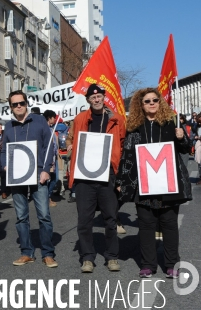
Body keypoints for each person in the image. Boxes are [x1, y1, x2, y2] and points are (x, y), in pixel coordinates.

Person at [116, 88, 192, 278]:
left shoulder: (170, 124)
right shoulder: (135, 126)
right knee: (146, 225)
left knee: (169, 223)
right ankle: (148, 265)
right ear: (140, 105)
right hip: (143, 183)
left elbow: (186, 149)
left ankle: (172, 264)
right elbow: (127, 155)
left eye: (155, 100)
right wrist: (121, 180)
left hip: (168, 182)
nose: (151, 103)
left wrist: (182, 137)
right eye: (147, 101)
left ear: (160, 102)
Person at [65, 84, 125, 273]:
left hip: (107, 175)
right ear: (88, 100)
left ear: (104, 97)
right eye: (93, 97)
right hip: (84, 177)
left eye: (99, 96)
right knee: (84, 220)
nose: (97, 99)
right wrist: (69, 146)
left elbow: (123, 145)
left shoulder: (116, 119)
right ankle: (87, 258)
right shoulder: (80, 118)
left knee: (110, 218)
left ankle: (112, 257)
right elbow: (70, 138)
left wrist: (120, 176)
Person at [0, 91, 57, 268]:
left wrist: (46, 170)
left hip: (39, 174)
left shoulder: (39, 121)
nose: (19, 106)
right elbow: (3, 151)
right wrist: (5, 166)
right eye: (15, 104)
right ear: (10, 107)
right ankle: (26, 252)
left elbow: (49, 146)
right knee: (21, 217)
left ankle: (48, 254)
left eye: (21, 103)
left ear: (26, 104)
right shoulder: (8, 126)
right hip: (17, 177)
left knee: (44, 215)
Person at [43, 110, 59, 207]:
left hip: (53, 158)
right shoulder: (45, 129)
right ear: (49, 118)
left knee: (53, 179)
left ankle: (47, 197)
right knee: (51, 179)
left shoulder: (51, 129)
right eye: (53, 117)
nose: (55, 119)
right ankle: (47, 198)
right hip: (49, 158)